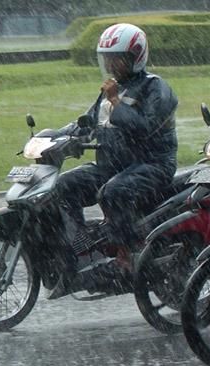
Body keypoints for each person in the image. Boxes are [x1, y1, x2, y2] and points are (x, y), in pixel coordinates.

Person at [54, 23, 178, 271]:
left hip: (152, 165)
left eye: (117, 59)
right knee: (64, 185)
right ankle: (82, 250)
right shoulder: (113, 89)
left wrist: (115, 102)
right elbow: (88, 122)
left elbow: (145, 128)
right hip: (115, 165)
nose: (111, 66)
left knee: (113, 191)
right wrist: (56, 137)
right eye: (108, 59)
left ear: (136, 57)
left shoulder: (156, 88)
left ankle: (128, 254)